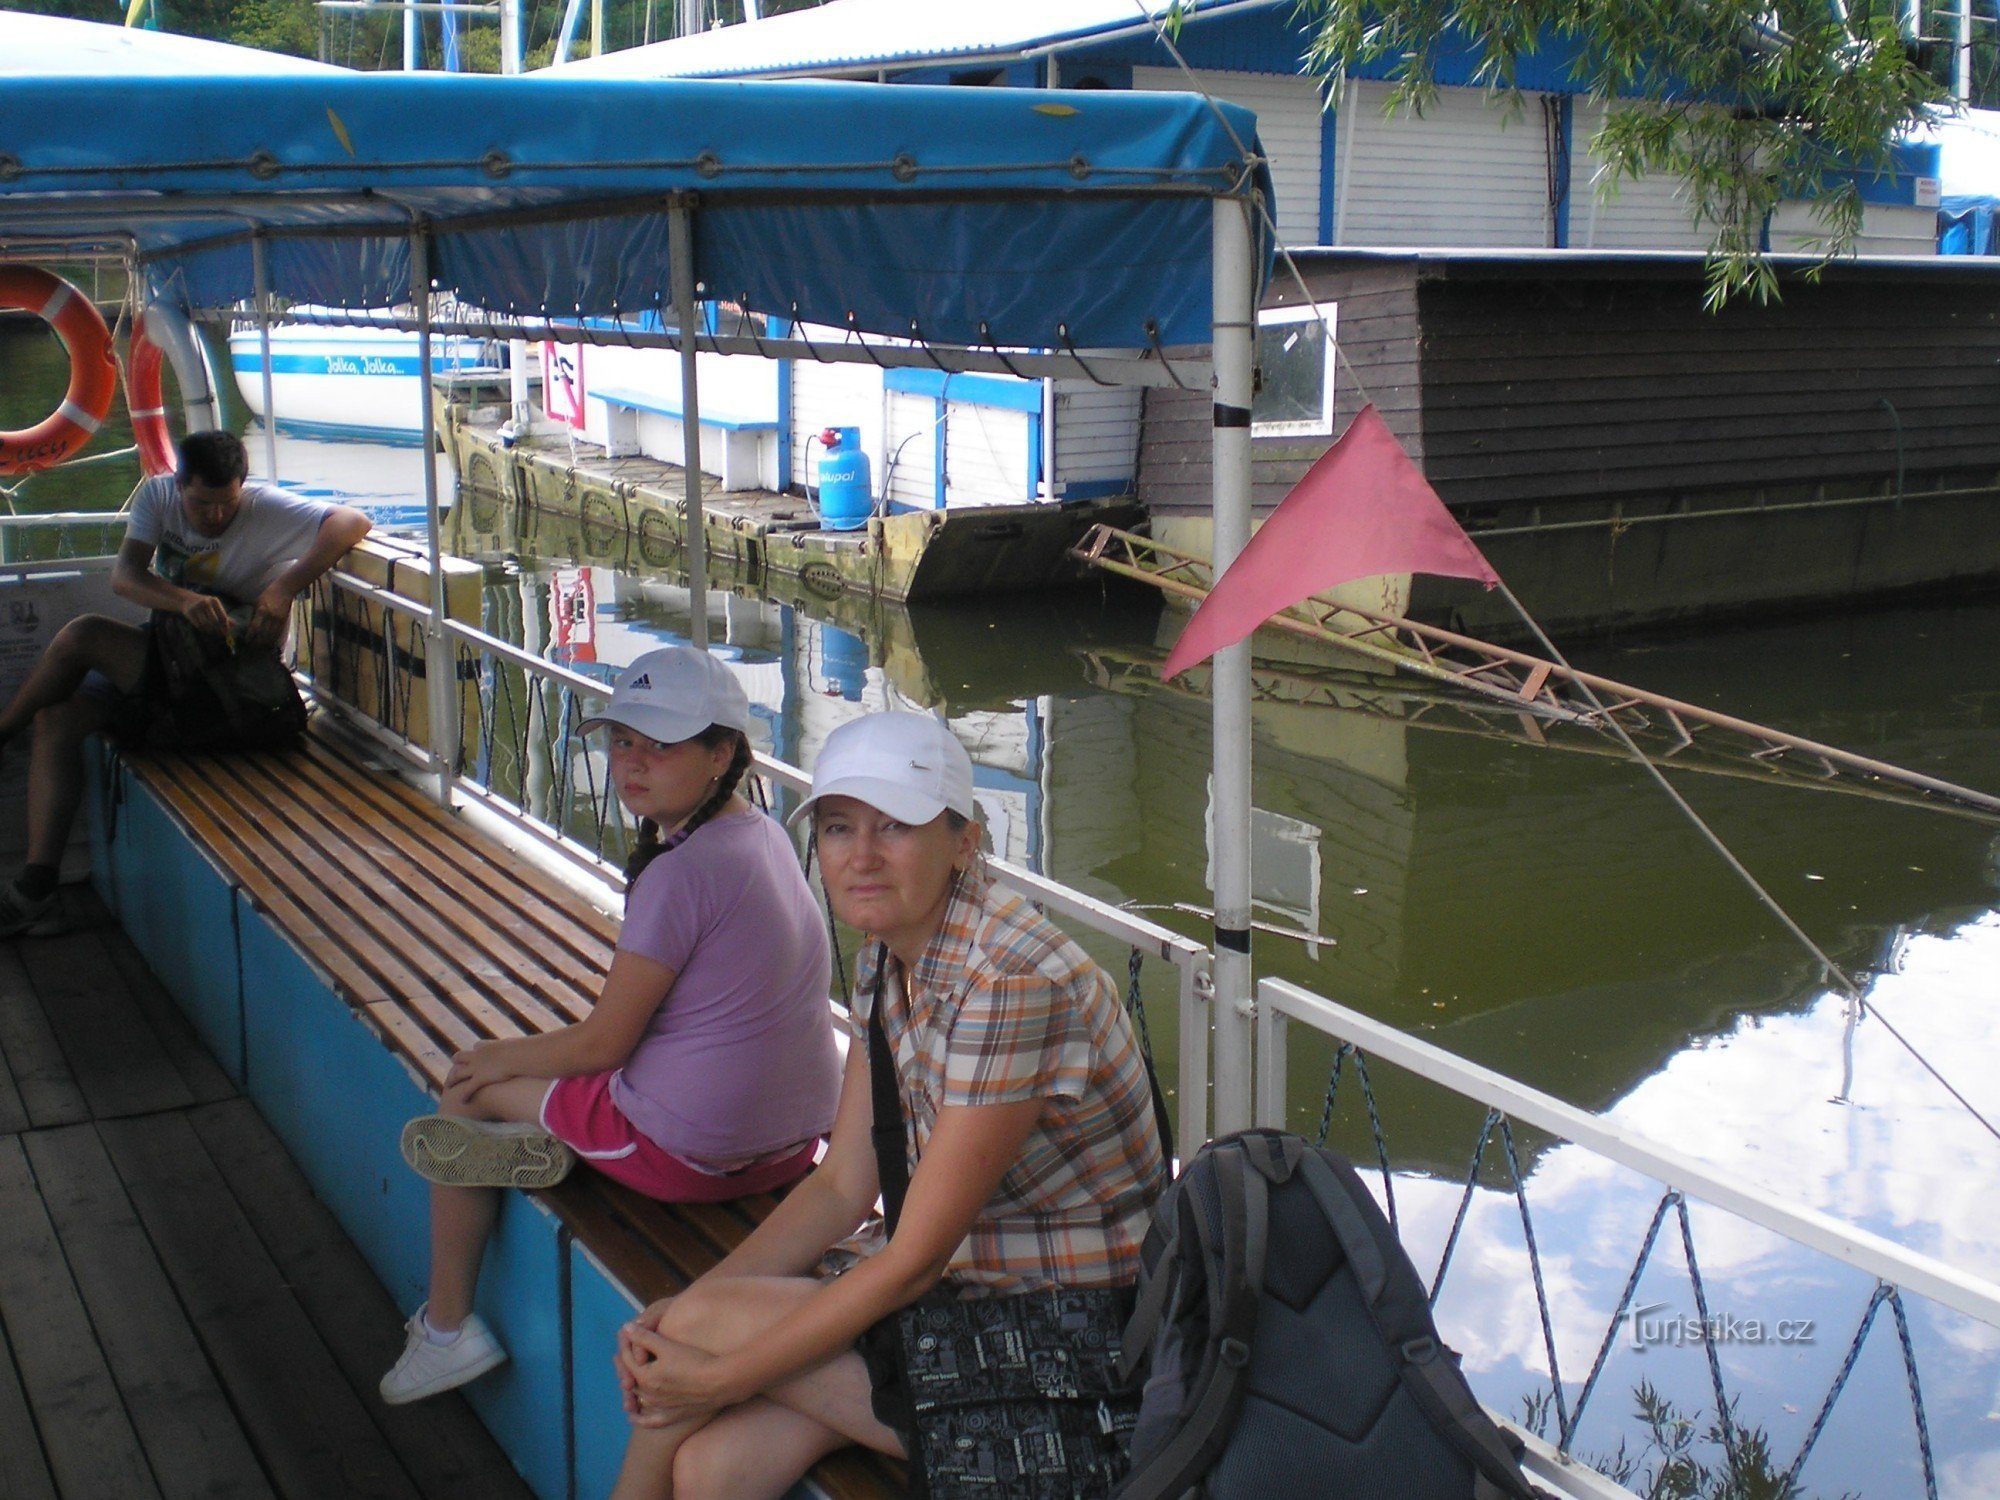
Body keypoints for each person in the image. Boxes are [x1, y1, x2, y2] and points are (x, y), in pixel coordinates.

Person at [607, 711, 1169, 1500]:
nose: (861, 857)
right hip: (962, 1290)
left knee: (692, 1338)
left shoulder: (1010, 981)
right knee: (713, 1467)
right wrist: (687, 1312)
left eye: (896, 828)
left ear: (964, 841)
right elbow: (842, 1185)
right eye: (838, 829)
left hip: (1072, 1339)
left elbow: (913, 1262)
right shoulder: (888, 952)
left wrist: (713, 1374)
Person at [380, 646, 843, 1405]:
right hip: (791, 1150)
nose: (633, 763)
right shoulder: (761, 835)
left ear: (722, 751)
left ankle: (447, 1328)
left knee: (466, 1086)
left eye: (662, 746)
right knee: (547, 1075)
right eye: (622, 741)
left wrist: (496, 1057)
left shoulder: (680, 873)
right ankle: (560, 1141)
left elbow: (603, 1044)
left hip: (692, 1152)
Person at [0, 430, 370, 937]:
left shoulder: (265, 508)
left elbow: (353, 522)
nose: (215, 516)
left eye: (227, 504)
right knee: (55, 721)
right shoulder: (157, 496)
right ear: (179, 486)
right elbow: (125, 576)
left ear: (244, 488)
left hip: (225, 680)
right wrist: (183, 602)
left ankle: (2, 732)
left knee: (83, 636)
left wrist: (284, 589)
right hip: (167, 659)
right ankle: (37, 888)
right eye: (201, 503)